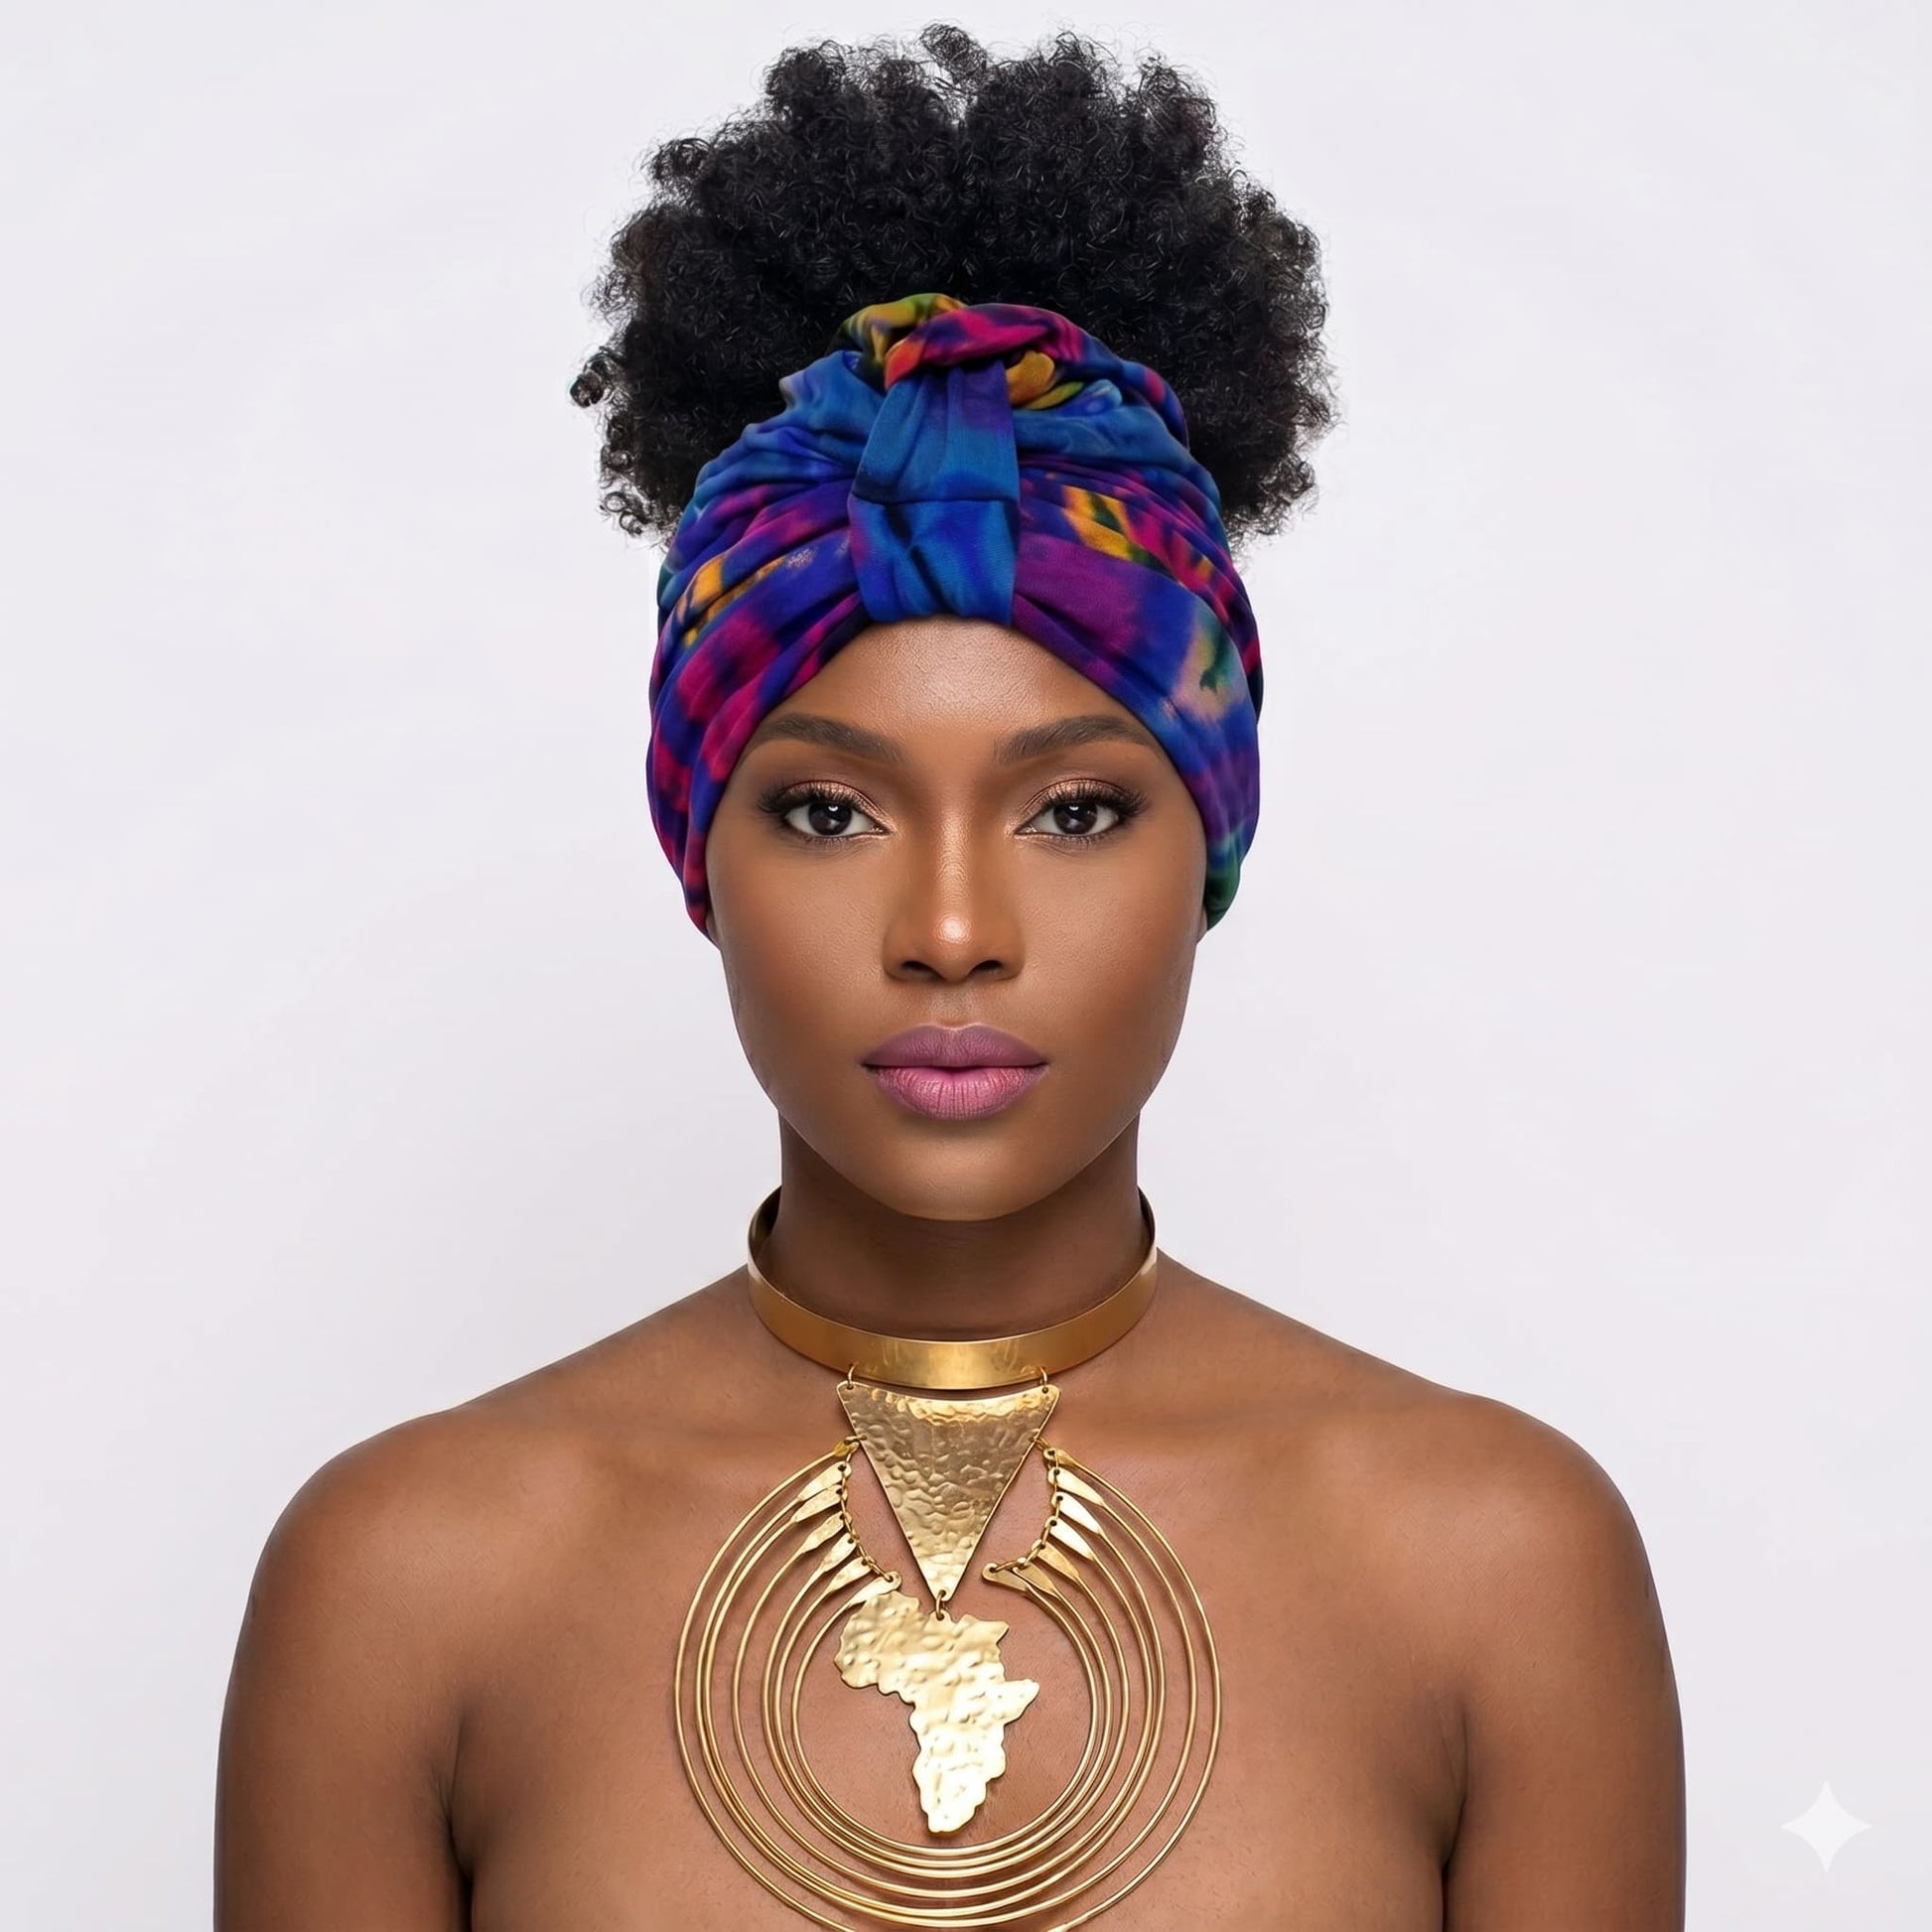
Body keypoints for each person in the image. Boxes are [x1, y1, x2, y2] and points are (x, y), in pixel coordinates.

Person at [213, 26, 1686, 1929]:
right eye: (830, 814)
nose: (954, 926)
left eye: (1074, 812)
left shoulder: (1494, 1563)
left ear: (1211, 850)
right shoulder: (405, 1578)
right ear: (700, 855)